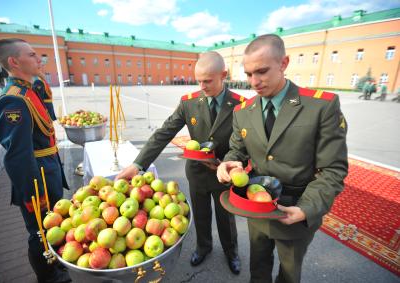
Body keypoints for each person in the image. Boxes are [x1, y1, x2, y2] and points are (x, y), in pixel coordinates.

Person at [217, 34, 348, 283]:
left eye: (262, 71)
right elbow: (237, 150)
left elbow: (333, 169)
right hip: (256, 205)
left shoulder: (320, 107)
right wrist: (229, 162)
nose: (253, 81)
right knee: (258, 267)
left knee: (288, 273)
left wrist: (306, 208)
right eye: (248, 74)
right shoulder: (243, 112)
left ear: (284, 63)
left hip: (295, 209)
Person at [117, 51, 243, 274]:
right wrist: (138, 164)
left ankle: (231, 251)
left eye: (208, 81)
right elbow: (163, 133)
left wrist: (233, 163)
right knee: (201, 214)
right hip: (197, 172)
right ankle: (203, 248)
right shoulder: (189, 103)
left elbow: (247, 141)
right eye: (198, 80)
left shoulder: (240, 105)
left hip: (225, 172)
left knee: (226, 217)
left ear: (223, 75)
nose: (202, 86)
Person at [0, 38, 70, 283]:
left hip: (49, 169)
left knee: (54, 226)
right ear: (14, 62)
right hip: (37, 178)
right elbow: (17, 156)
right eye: (32, 55)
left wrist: (41, 82)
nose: (40, 59)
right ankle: (47, 277)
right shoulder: (13, 100)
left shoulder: (30, 89)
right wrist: (33, 194)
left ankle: (57, 267)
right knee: (39, 232)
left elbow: (48, 122)